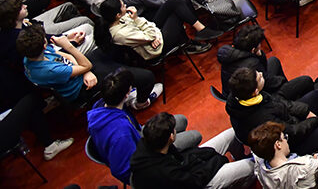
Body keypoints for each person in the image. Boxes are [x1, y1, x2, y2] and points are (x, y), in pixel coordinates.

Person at [88, 71, 202, 184]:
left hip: (138, 136)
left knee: (181, 120)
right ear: (127, 94)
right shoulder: (121, 134)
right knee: (195, 136)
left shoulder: (100, 105)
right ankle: (181, 163)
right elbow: (123, 171)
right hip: (145, 159)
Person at [17, 24, 161, 108]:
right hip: (81, 87)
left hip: (80, 73)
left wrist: (84, 70)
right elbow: (81, 62)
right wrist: (68, 46)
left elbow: (65, 56)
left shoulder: (31, 56)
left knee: (111, 46)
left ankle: (126, 78)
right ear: (43, 45)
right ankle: (141, 103)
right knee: (148, 77)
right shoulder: (48, 70)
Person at [225, 67, 318, 154]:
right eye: (259, 77)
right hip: (289, 144)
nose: (261, 74)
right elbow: (292, 133)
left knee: (314, 97)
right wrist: (313, 120)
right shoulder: (261, 118)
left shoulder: (242, 97)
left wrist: (305, 111)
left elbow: (280, 103)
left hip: (287, 120)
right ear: (255, 91)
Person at [130, 111, 255, 189]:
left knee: (232, 133)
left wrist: (207, 156)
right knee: (252, 165)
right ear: (171, 137)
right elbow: (194, 182)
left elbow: (182, 158)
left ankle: (237, 160)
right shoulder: (165, 173)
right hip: (196, 183)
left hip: (189, 169)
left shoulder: (150, 144)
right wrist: (217, 160)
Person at [217, 24, 313, 101]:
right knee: (305, 80)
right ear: (253, 49)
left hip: (235, 93)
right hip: (257, 96)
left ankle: (289, 95)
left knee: (273, 61)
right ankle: (293, 100)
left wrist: (258, 55)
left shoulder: (229, 52)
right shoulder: (252, 63)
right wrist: (280, 80)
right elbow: (267, 83)